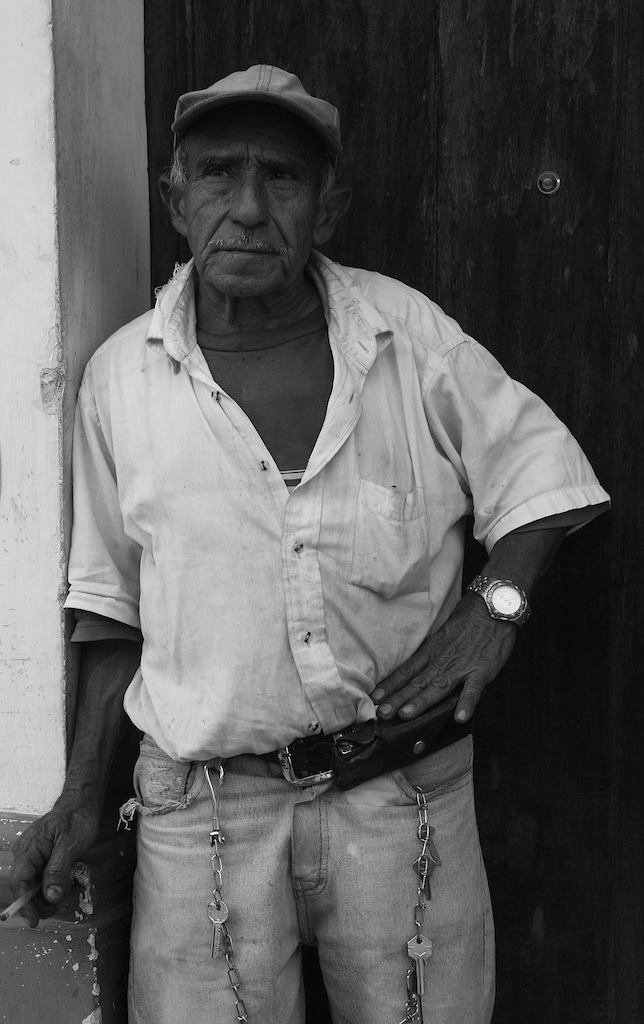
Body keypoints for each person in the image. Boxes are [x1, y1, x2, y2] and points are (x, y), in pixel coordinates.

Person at [10, 65, 609, 1024]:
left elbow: (544, 475)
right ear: (175, 198)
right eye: (218, 174)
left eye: (281, 178)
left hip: (400, 792)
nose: (247, 207)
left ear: (327, 208)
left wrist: (496, 607)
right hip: (203, 813)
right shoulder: (120, 380)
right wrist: (83, 793)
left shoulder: (404, 335)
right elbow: (109, 604)